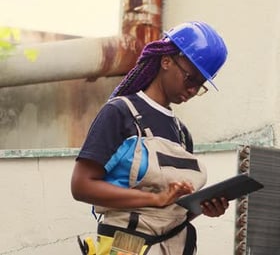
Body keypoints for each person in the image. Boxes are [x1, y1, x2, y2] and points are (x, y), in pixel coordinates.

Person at [71, 21, 230, 255]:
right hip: (126, 247)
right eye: (190, 79)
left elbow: (169, 212)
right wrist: (154, 199)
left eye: (200, 85)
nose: (193, 90)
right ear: (166, 61)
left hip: (174, 247)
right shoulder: (120, 113)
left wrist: (202, 208)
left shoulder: (182, 135)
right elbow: (81, 186)